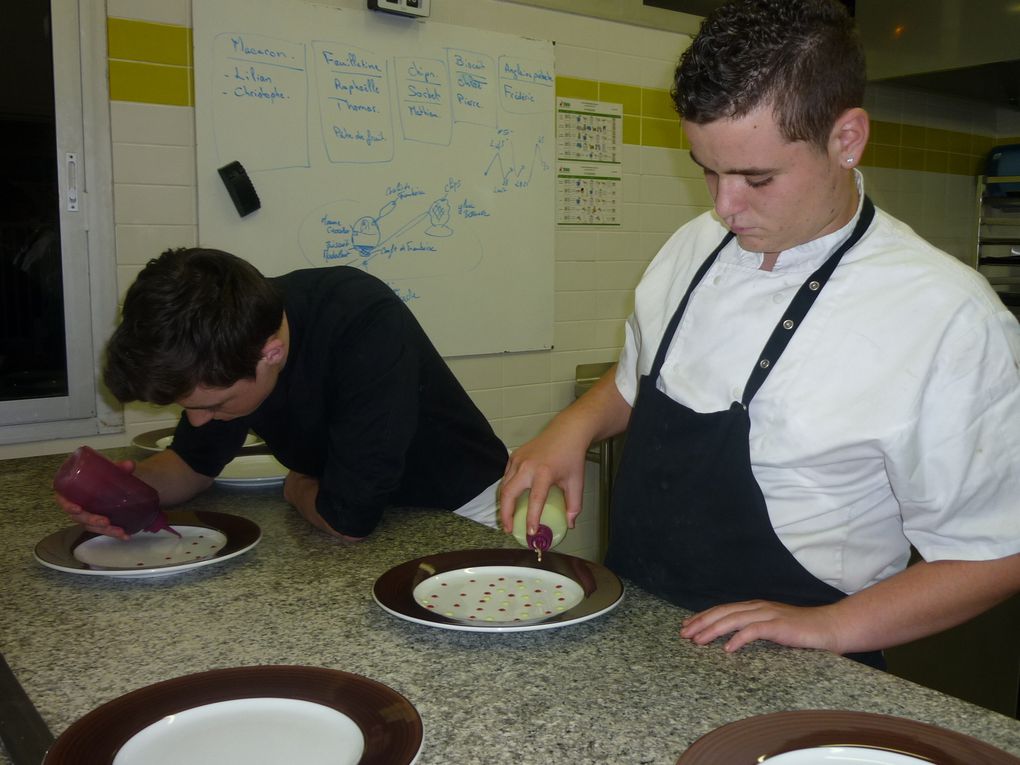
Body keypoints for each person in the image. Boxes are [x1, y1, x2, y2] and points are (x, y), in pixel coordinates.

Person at [500, 0, 1020, 666]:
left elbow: (998, 553)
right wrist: (572, 426)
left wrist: (830, 626)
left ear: (847, 138)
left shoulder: (946, 319)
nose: (724, 206)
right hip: (635, 642)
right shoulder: (697, 244)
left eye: (757, 177)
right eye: (707, 169)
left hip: (799, 675)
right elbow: (640, 375)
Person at [57, 248, 508, 541]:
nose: (199, 420)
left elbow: (348, 521)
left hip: (465, 510)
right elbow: (192, 466)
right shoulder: (227, 334)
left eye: (213, 406)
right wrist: (121, 494)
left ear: (269, 354)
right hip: (364, 515)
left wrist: (297, 488)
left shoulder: (363, 321)